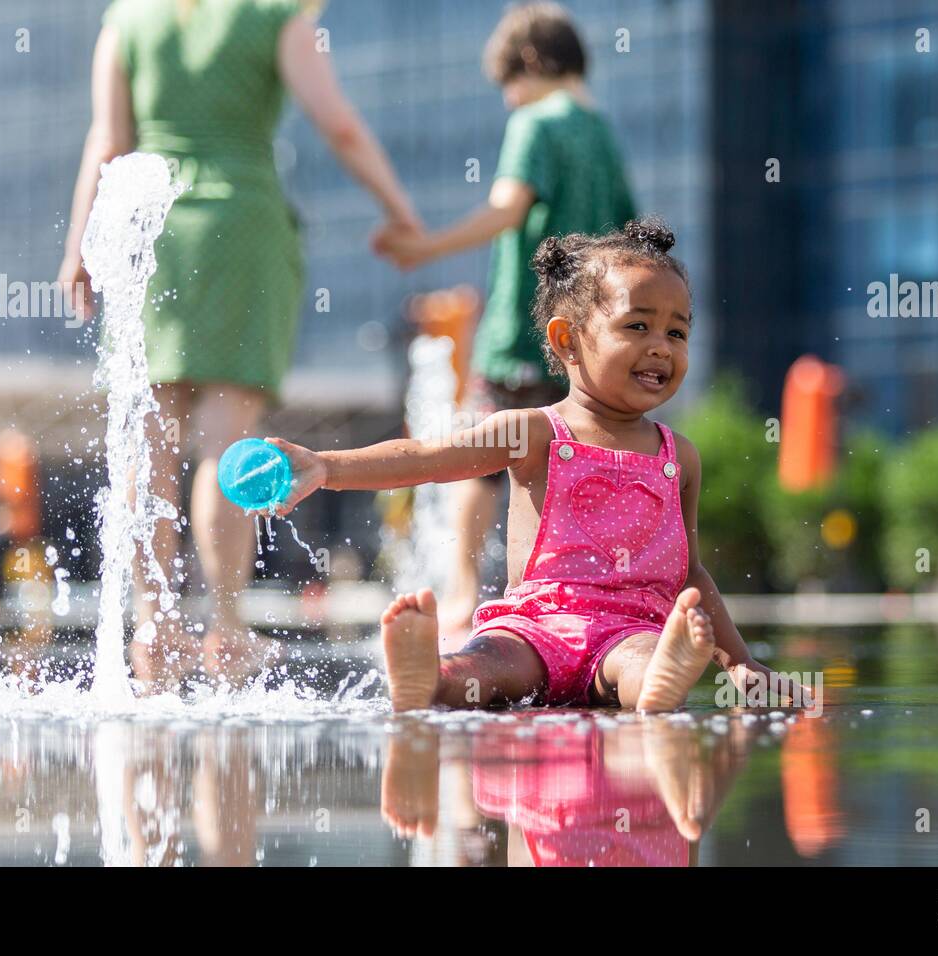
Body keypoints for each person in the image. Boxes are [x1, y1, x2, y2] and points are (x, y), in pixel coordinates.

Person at [270, 218, 805, 712]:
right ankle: (431, 677)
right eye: (638, 327)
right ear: (567, 341)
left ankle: (659, 683)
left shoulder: (678, 455)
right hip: (537, 628)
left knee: (643, 657)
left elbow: (689, 570)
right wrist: (326, 465)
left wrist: (741, 663)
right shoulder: (534, 431)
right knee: (490, 665)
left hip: (630, 631)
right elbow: (431, 459)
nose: (661, 348)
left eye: (677, 332)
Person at [60, 0, 420, 691]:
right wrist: (401, 213)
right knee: (225, 442)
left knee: (150, 443)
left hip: (151, 223)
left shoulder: (129, 18)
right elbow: (337, 122)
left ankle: (153, 625)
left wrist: (78, 248)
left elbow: (107, 141)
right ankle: (227, 626)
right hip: (240, 220)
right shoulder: (275, 11)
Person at [372, 2, 638, 647]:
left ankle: (463, 601)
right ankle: (582, 603)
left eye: (506, 84)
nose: (506, 99)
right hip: (589, 343)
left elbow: (505, 208)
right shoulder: (603, 133)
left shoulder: (536, 122)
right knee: (579, 466)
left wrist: (425, 248)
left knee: (481, 463)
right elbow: (632, 238)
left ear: (526, 63)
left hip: (524, 334)